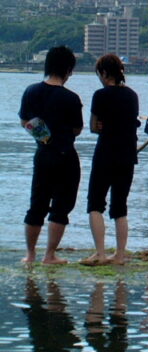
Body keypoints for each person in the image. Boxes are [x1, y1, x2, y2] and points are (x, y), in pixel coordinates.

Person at [19, 46, 83, 264]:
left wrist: (44, 136)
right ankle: (50, 255)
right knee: (61, 207)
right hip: (66, 156)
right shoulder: (71, 98)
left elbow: (24, 121)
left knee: (37, 204)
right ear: (68, 69)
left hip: (43, 154)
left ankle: (30, 254)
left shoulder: (31, 92)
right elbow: (77, 129)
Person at [82, 54, 140, 266]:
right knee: (120, 206)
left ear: (104, 73)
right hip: (127, 154)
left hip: (105, 153)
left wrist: (101, 126)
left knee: (95, 203)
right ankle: (120, 255)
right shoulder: (132, 95)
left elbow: (93, 126)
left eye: (99, 74)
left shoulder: (100, 95)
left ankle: (100, 253)